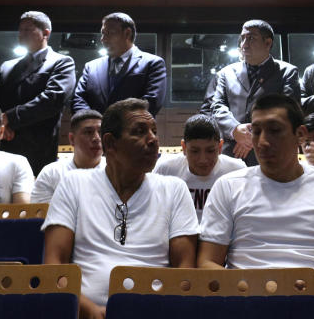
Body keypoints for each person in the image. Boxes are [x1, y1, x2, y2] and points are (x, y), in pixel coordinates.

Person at [198, 94, 314, 318]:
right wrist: (254, 287)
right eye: (256, 131)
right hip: (246, 303)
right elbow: (207, 263)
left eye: (275, 130)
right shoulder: (228, 186)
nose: (263, 142)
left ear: (300, 135)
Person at [43, 98, 198, 317]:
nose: (153, 139)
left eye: (154, 131)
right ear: (110, 143)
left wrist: (158, 309)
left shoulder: (174, 189)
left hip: (155, 310)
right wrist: (89, 310)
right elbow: (54, 264)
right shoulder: (73, 183)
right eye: (140, 131)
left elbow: (185, 272)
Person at [0, 11, 76, 175]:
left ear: (46, 33)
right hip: (1, 144)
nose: (22, 34)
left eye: (28, 29)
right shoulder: (7, 66)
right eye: (20, 30)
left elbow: (52, 100)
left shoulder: (61, 62)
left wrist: (9, 118)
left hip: (37, 148)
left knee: (34, 199)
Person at [205, 19, 300, 165]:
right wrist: (235, 129)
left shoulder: (287, 72)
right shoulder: (226, 73)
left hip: (271, 151)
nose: (244, 44)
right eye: (242, 38)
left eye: (251, 38)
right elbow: (217, 106)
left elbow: (289, 110)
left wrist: (251, 137)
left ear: (268, 43)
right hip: (231, 152)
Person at [153, 114, 246, 221]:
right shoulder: (165, 169)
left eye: (210, 151)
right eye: (195, 151)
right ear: (183, 147)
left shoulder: (237, 172)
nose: (203, 159)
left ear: (220, 147)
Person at [71, 13, 167, 116]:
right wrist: (92, 123)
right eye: (103, 33)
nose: (103, 39)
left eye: (109, 33)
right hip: (96, 130)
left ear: (127, 33)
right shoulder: (91, 66)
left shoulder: (152, 63)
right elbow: (78, 99)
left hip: (133, 130)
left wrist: (115, 124)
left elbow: (151, 103)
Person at [30, 108, 105, 204]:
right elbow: (40, 216)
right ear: (72, 139)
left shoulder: (117, 170)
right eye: (88, 132)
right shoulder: (51, 173)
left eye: (100, 132)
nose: (96, 138)